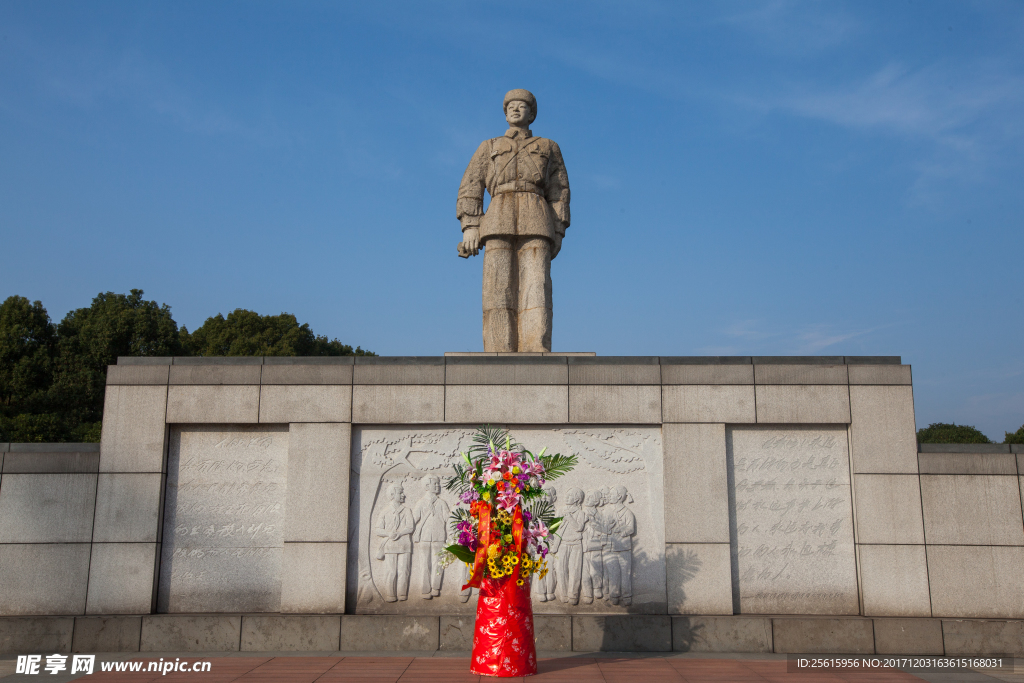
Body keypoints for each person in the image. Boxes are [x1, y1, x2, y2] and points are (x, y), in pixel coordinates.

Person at [456, 89, 570, 353]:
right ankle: (499, 349)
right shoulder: (489, 146)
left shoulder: (549, 147)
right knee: (498, 286)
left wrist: (558, 228)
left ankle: (536, 346)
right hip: (498, 215)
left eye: (522, 106)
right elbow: (471, 185)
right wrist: (471, 225)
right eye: (511, 106)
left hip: (536, 214)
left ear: (532, 113)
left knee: (536, 285)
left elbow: (559, 190)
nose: (515, 110)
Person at [376, 483, 414, 602]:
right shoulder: (385, 511)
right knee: (391, 571)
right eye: (400, 493)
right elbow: (378, 529)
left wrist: (400, 533)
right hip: (390, 545)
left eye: (403, 492)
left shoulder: (407, 510)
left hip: (404, 544)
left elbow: (410, 527)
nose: (403, 495)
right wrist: (388, 533)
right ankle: (390, 594)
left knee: (404, 570)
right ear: (392, 495)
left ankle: (402, 594)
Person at [413, 476, 450, 599]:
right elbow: (414, 519)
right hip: (424, 537)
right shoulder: (421, 502)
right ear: (427, 486)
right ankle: (425, 589)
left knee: (438, 563)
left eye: (438, 483)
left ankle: (435, 587)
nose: (438, 486)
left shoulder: (441, 503)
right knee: (424, 564)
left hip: (439, 537)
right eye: (435, 484)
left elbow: (448, 519)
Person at [604, 486, 636, 606]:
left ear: (618, 497)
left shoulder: (627, 512)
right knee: (613, 573)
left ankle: (626, 595)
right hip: (610, 547)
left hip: (623, 548)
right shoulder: (607, 511)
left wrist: (621, 530)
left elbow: (630, 528)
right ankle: (614, 595)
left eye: (611, 494)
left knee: (625, 573)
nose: (609, 497)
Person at [557, 488, 586, 606]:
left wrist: (570, 518)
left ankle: (573, 595)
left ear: (577, 499)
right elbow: (554, 527)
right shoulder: (560, 511)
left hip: (576, 544)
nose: (566, 497)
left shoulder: (580, 513)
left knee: (574, 569)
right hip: (563, 543)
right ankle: (563, 594)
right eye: (567, 495)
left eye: (570, 496)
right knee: (561, 569)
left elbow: (579, 527)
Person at [581, 489, 605, 604]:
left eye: (591, 498)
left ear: (596, 501)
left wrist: (594, 523)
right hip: (583, 546)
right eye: (587, 497)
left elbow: (603, 529)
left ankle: (597, 588)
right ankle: (587, 593)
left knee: (596, 569)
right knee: (584, 572)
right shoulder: (582, 513)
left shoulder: (599, 515)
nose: (587, 500)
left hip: (595, 546)